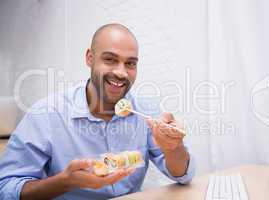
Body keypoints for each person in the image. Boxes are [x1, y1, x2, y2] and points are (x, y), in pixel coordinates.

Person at [0, 23, 195, 200]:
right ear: (89, 58)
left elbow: (182, 175)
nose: (121, 72)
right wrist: (66, 181)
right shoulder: (46, 114)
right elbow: (6, 189)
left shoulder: (146, 110)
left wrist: (173, 148)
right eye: (110, 59)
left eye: (130, 63)